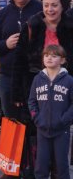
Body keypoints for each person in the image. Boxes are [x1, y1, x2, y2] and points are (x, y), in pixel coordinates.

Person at [28, 45, 73, 179]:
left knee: (61, 166)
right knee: (41, 166)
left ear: (62, 60)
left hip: (61, 131)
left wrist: (64, 120)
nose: (49, 58)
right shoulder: (37, 79)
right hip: (42, 130)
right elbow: (32, 101)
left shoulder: (69, 80)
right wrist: (37, 118)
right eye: (46, 55)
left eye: (54, 56)